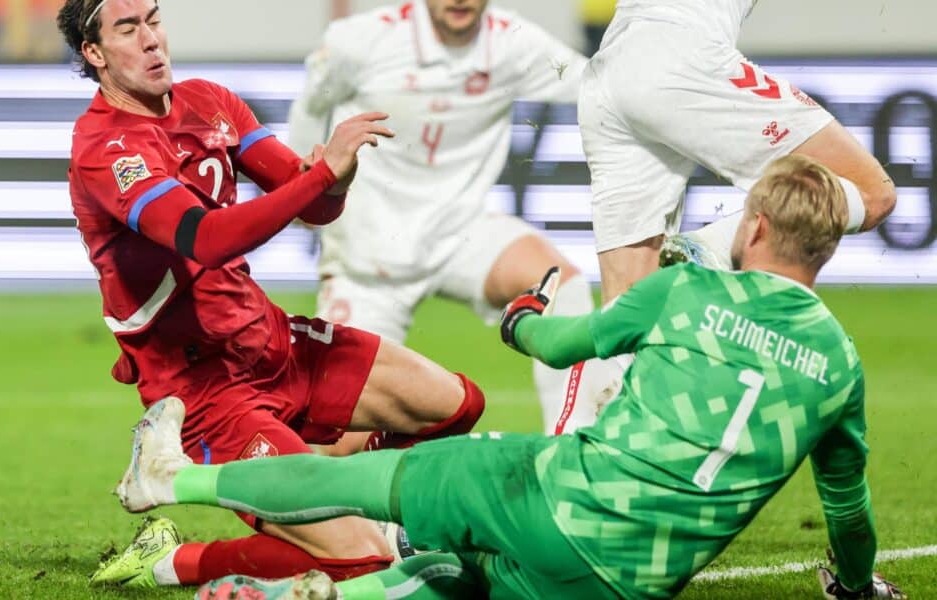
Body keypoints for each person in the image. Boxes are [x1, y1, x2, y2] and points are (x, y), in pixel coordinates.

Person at [112, 156, 904, 599]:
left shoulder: (688, 288)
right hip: (623, 588)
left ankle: (174, 483)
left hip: (552, 497)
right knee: (462, 581)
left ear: (755, 226)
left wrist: (521, 316)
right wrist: (857, 588)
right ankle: (312, 597)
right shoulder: (839, 365)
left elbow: (564, 345)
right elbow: (851, 511)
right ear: (828, 250)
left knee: (365, 483)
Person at [57, 0, 487, 589]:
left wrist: (337, 177)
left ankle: (345, 497)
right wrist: (319, 175)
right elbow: (203, 238)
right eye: (128, 29)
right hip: (203, 393)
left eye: (154, 20)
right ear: (95, 54)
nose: (152, 39)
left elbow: (315, 204)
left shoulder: (209, 101)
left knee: (457, 404)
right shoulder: (106, 149)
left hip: (275, 343)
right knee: (361, 561)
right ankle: (169, 562)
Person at [289, 0, 622, 438]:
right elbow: (311, 107)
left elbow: (600, 86)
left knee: (561, 283)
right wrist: (300, 188)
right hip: (368, 260)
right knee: (340, 445)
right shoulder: (360, 41)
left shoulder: (511, 41)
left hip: (460, 234)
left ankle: (573, 449)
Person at [578, 0, 898, 387]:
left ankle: (601, 440)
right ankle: (702, 255)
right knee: (872, 192)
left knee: (626, 316)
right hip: (683, 51)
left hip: (610, 67)